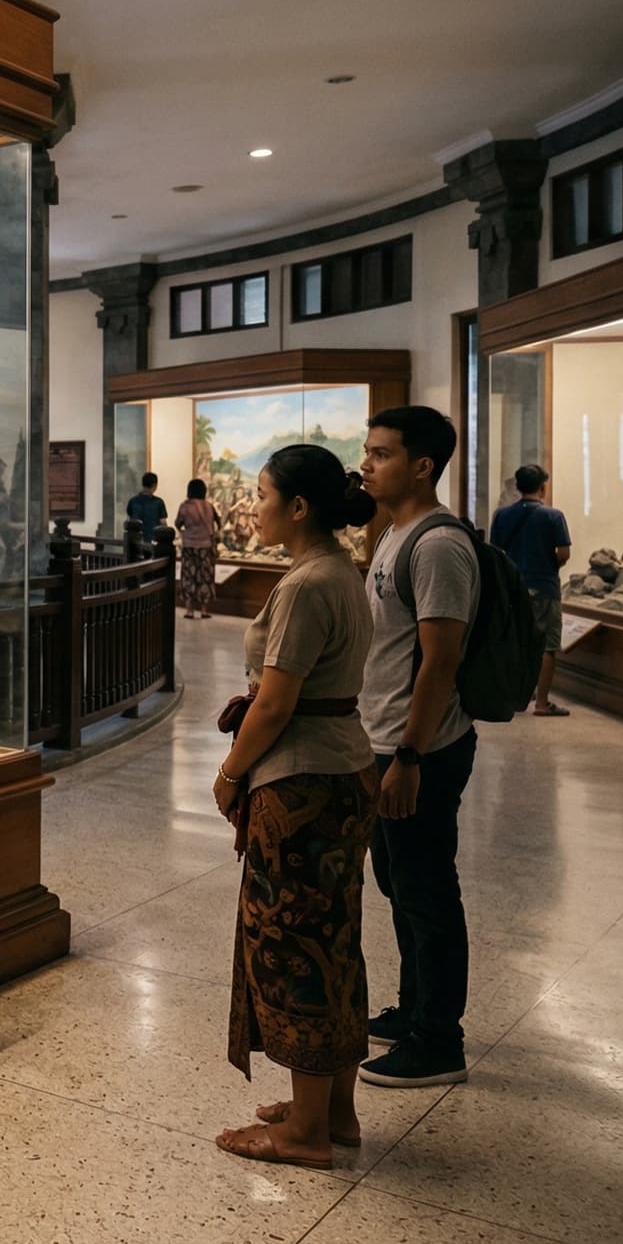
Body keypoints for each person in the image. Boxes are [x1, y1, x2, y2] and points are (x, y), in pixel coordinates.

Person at [209, 445, 378, 1169]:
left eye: (264, 493)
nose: (255, 505)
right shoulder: (338, 573)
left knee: (294, 943)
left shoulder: (309, 584)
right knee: (333, 938)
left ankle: (306, 1133)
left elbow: (275, 703)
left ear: (299, 507)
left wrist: (228, 772)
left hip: (303, 780)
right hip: (341, 768)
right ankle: (330, 1109)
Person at [357, 405, 477, 1089]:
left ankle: (440, 1038)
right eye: (368, 451)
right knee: (398, 881)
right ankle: (414, 1008)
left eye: (381, 453)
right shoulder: (395, 531)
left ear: (422, 464)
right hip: (385, 739)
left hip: (419, 747)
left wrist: (408, 755)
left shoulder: (436, 544)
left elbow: (440, 661)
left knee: (427, 886)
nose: (367, 463)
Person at [490, 463, 572, 717]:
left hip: (514, 588)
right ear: (543, 487)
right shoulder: (552, 516)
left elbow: (497, 552)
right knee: (547, 645)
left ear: (517, 486)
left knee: (516, 641)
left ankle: (515, 695)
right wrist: (549, 564)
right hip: (544, 586)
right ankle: (542, 702)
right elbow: (563, 553)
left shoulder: (502, 516)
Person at [176, 476, 219, 619]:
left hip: (189, 546)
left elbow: (178, 523)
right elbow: (217, 523)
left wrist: (185, 531)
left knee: (189, 576)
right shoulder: (209, 506)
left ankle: (189, 610)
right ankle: (204, 610)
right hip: (206, 546)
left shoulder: (185, 506)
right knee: (205, 576)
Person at [126, 471, 166, 536]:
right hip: (153, 541)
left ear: (142, 484)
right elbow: (163, 523)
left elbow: (128, 521)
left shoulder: (132, 501)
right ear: (154, 485)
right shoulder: (158, 502)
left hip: (135, 541)